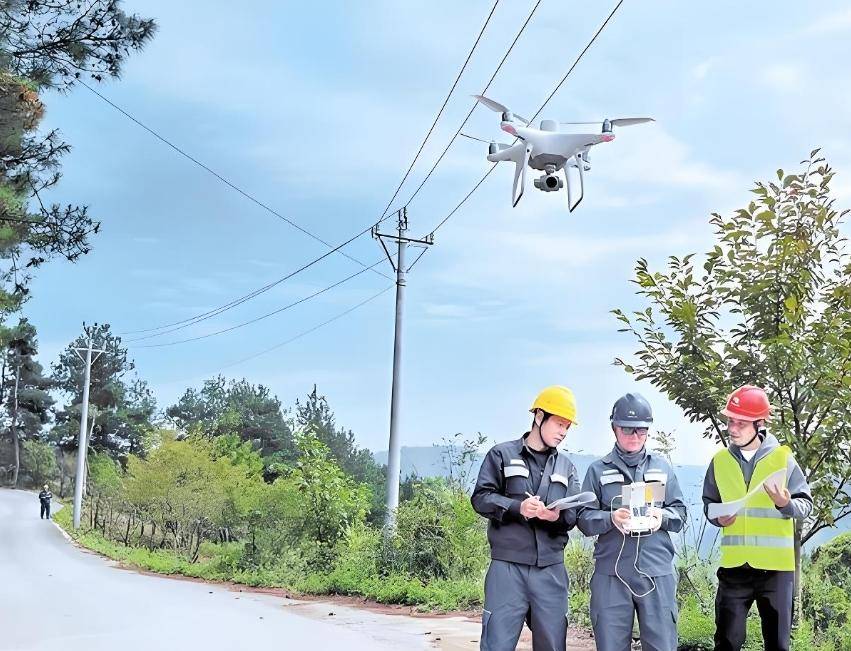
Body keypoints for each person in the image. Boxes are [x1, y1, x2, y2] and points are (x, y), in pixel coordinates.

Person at [702, 385, 813, 651]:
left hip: (776, 571)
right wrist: (717, 518)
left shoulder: (783, 460)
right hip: (734, 569)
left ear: (759, 424)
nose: (733, 428)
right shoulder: (719, 461)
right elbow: (709, 504)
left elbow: (805, 505)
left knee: (777, 645)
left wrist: (785, 504)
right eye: (730, 421)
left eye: (741, 422)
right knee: (727, 642)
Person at [471, 385, 582, 651]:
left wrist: (554, 516)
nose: (563, 432)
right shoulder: (501, 455)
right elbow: (481, 498)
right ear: (539, 416)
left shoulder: (567, 467)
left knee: (553, 645)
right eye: (559, 423)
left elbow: (573, 515)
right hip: (508, 568)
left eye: (567, 426)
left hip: (551, 571)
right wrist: (516, 507)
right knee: (496, 643)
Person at [577, 393, 686, 651]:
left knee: (662, 645)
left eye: (641, 430)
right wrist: (610, 518)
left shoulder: (662, 468)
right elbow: (583, 518)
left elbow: (680, 513)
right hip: (611, 572)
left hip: (656, 571)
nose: (634, 435)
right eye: (627, 428)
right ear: (614, 428)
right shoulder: (598, 470)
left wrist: (663, 517)